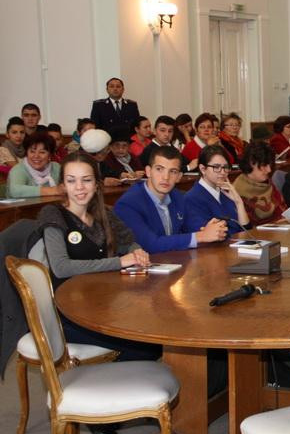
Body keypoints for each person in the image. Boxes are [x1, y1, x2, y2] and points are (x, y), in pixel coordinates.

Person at [37, 152, 160, 358]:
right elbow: (61, 267)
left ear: (96, 184)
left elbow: (128, 242)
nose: (79, 187)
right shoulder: (53, 215)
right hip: (69, 313)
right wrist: (118, 262)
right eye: (71, 181)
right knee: (147, 344)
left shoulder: (103, 213)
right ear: (63, 185)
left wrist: (136, 251)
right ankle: (114, 378)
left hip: (103, 302)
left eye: (86, 180)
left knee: (152, 325)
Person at [114, 146, 229, 253]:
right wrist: (201, 236)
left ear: (179, 176)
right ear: (148, 171)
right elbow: (150, 245)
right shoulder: (128, 204)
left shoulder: (178, 197)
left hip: (175, 262)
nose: (166, 177)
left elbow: (198, 227)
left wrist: (214, 229)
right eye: (159, 169)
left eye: (173, 171)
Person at [185, 144, 250, 235]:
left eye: (225, 167)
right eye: (216, 167)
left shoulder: (226, 192)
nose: (222, 172)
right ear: (203, 169)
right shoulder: (191, 199)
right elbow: (207, 236)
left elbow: (247, 231)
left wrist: (239, 202)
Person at [232, 142, 287, 225]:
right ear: (251, 163)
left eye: (270, 165)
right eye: (264, 165)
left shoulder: (268, 183)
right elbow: (244, 225)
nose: (269, 170)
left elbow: (283, 210)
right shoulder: (237, 190)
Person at [6, 132, 64, 198]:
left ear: (50, 155)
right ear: (27, 153)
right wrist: (52, 190)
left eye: (42, 152)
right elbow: (15, 191)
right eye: (32, 151)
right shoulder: (18, 170)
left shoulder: (56, 167)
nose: (36, 156)